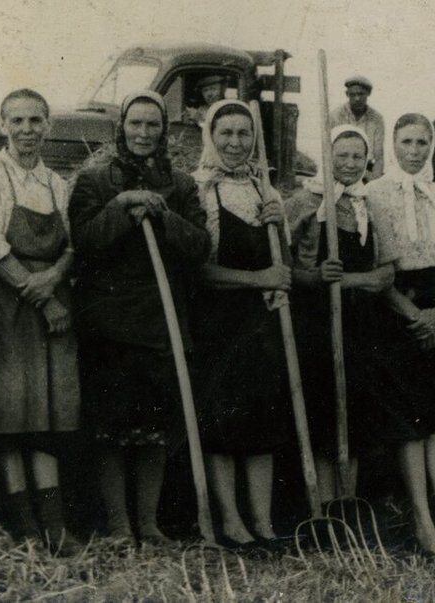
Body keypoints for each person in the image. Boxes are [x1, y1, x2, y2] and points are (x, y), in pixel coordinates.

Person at [68, 91, 211, 545]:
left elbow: (200, 247)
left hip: (162, 322)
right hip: (109, 322)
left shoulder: (183, 184)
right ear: (122, 128)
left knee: (153, 432)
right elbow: (85, 243)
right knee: (112, 431)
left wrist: (163, 213)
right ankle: (118, 525)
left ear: (164, 131)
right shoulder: (95, 182)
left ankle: (148, 523)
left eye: (153, 125)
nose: (144, 134)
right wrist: (121, 206)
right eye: (136, 124)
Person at [0, 89, 81, 555]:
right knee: (12, 416)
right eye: (18, 120)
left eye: (36, 120)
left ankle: (55, 527)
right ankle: (27, 528)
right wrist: (38, 295)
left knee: (48, 413)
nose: (27, 129)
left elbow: (72, 246)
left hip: (52, 305)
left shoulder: (57, 183)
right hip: (9, 309)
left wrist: (53, 282)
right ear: (2, 126)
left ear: (48, 126)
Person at [189, 100, 292, 548]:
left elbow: (283, 269)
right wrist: (258, 279)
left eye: (243, 134)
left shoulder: (265, 193)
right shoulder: (198, 191)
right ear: (210, 137)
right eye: (226, 133)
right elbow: (198, 270)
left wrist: (279, 229)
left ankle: (263, 521)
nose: (235, 143)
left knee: (261, 420)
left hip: (261, 323)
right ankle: (230, 520)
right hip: (217, 321)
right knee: (222, 420)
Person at [367, 113, 435, 555]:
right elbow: (378, 268)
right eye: (407, 142)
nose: (415, 150)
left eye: (422, 142)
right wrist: (414, 315)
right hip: (396, 307)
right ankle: (423, 521)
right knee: (410, 421)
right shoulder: (375, 194)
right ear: (393, 145)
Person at [288, 125, 396, 504]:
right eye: (341, 156)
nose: (349, 164)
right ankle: (322, 504)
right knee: (322, 407)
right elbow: (284, 268)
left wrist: (347, 280)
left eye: (357, 156)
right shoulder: (304, 201)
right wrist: (315, 277)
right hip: (315, 321)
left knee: (353, 409)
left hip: (360, 324)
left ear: (367, 160)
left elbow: (385, 274)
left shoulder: (371, 205)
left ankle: (347, 503)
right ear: (327, 157)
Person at [327, 76, 385, 181]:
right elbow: (328, 150)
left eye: (361, 94)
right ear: (347, 94)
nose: (357, 98)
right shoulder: (336, 116)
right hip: (342, 168)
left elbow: (379, 156)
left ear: (368, 93)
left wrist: (375, 180)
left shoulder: (377, 119)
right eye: (353, 95)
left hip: (367, 170)